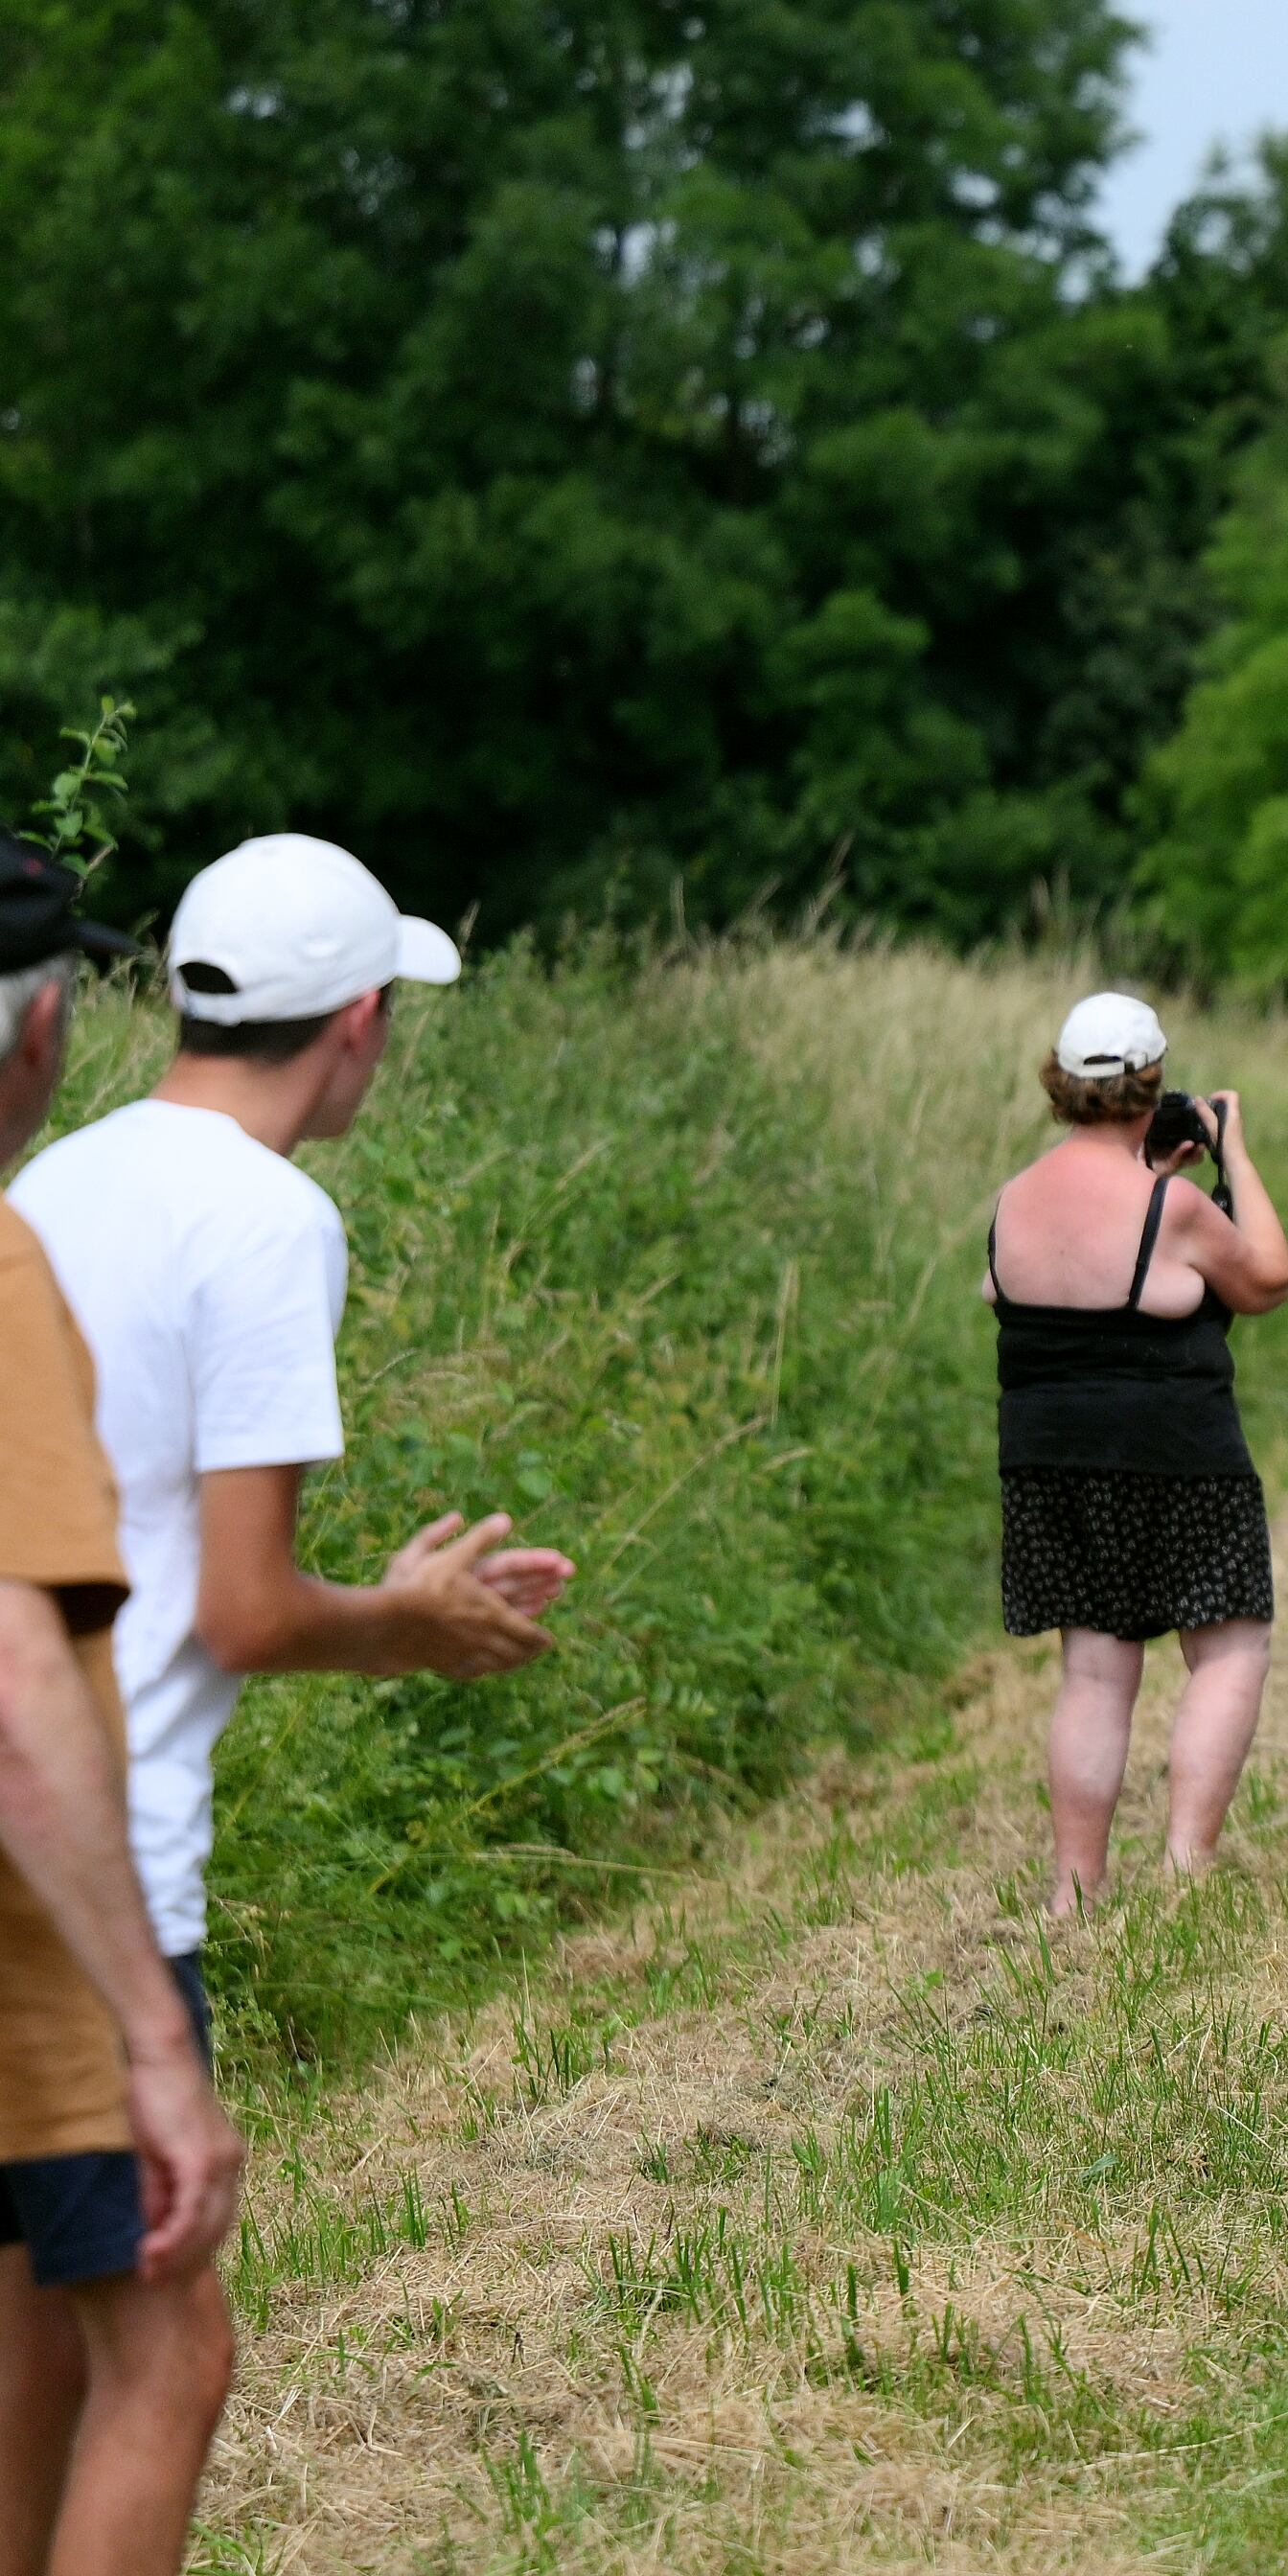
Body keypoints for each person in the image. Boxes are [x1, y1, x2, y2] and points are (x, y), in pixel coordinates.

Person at [12, 829, 576, 2029]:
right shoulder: (272, 1221)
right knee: (143, 2214)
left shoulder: (52, 1179)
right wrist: (408, 1625)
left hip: (21, 1827)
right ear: (361, 1018)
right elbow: (245, 1612)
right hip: (113, 1865)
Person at [0, 841, 244, 2576]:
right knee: (166, 2349)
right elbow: (18, 1693)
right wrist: (155, 2034)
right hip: (29, 1954)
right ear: (36, 1029)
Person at [986, 993, 1288, 1916]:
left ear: (1060, 1085)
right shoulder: (1175, 1205)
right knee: (1230, 1646)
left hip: (1047, 1457)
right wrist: (1232, 1150)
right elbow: (1267, 1281)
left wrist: (1148, 1168)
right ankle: (1185, 1868)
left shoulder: (1012, 1200)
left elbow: (1022, 1299)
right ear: (1152, 1085)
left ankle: (1073, 1892)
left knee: (1093, 1667)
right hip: (1175, 1452)